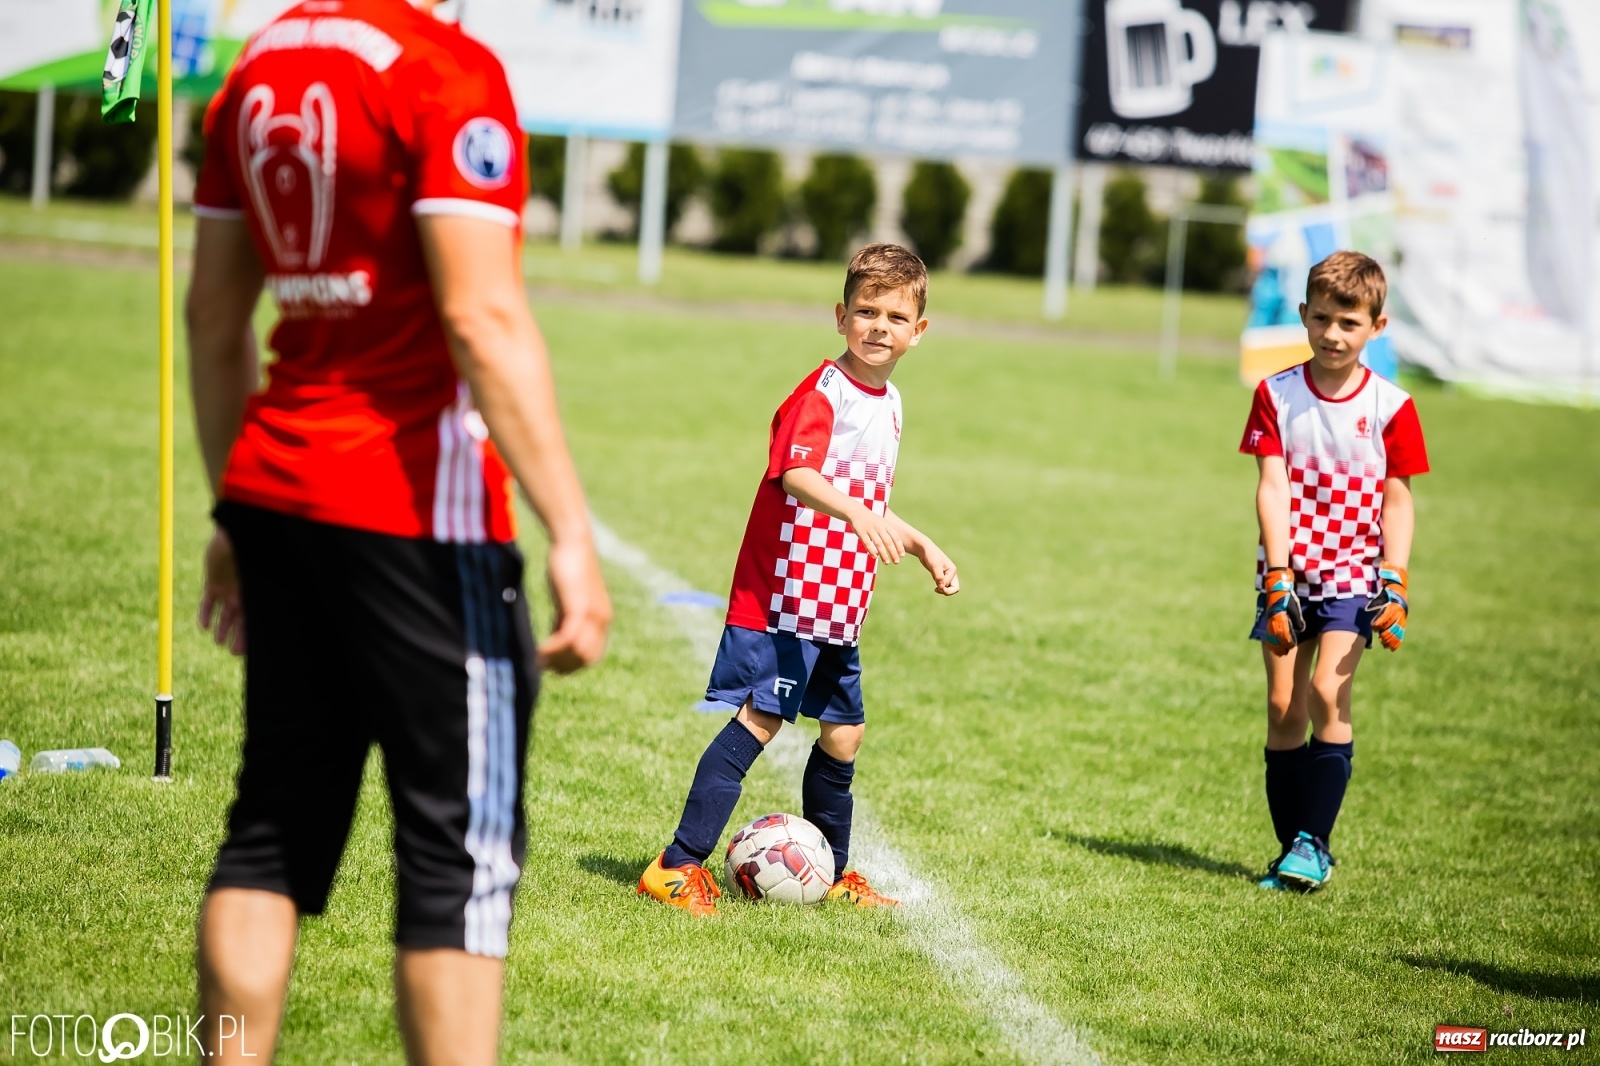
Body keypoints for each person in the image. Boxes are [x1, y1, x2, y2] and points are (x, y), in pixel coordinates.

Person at [186, 0, 612, 1061]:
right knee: (458, 863)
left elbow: (213, 316)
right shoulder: (445, 72)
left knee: (268, 833)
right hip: (419, 518)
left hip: (278, 494)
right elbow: (481, 316)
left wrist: (233, 505)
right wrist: (570, 529)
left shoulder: (259, 69)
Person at [637, 244, 959, 916]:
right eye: (866, 311)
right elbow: (796, 474)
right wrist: (857, 514)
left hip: (839, 603)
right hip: (790, 597)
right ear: (841, 317)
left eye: (896, 317)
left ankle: (834, 873)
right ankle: (675, 865)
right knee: (761, 720)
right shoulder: (823, 393)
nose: (879, 327)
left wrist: (921, 542)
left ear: (919, 331)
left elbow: (866, 496)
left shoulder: (890, 401)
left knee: (844, 733)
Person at [1239, 251, 1429, 892]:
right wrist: (1278, 576)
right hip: (1288, 574)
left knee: (1327, 693)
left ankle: (1314, 843)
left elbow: (1398, 500)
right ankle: (1294, 849)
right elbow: (1272, 487)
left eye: (1349, 323)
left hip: (1353, 575)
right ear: (1303, 314)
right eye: (1321, 318)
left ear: (1377, 326)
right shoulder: (1275, 394)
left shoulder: (1392, 405)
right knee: (1283, 708)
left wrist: (1394, 579)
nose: (1333, 334)